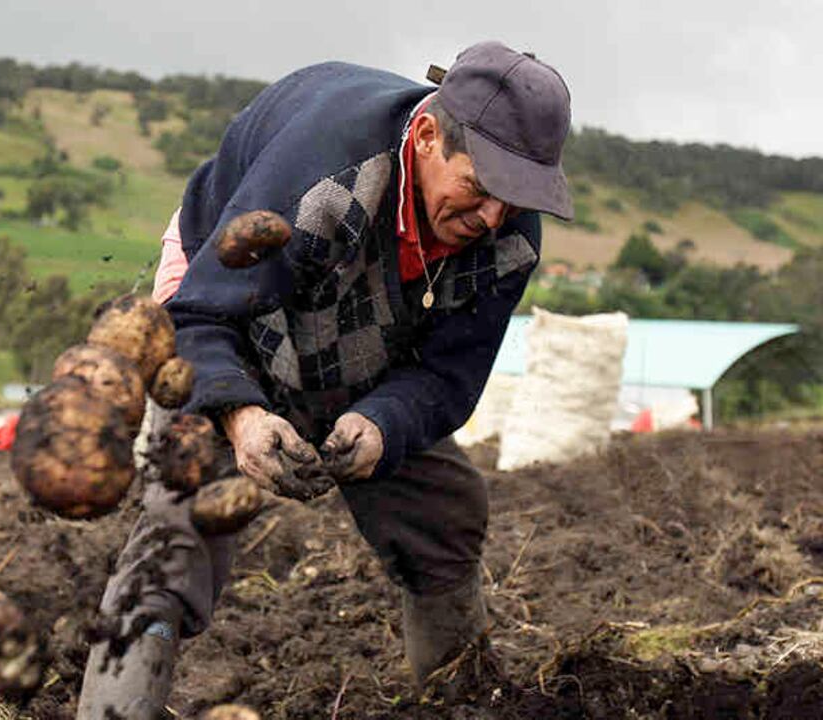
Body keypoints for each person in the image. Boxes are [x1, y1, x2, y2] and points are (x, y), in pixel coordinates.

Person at [78, 41, 573, 718]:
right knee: (179, 534)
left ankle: (460, 701)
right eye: (482, 189)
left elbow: (449, 374)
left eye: (513, 199)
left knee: (445, 516)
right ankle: (115, 708)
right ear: (428, 136)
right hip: (229, 318)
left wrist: (383, 423)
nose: (492, 217)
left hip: (369, 344)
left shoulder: (509, 240)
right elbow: (199, 315)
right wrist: (242, 416)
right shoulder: (323, 177)